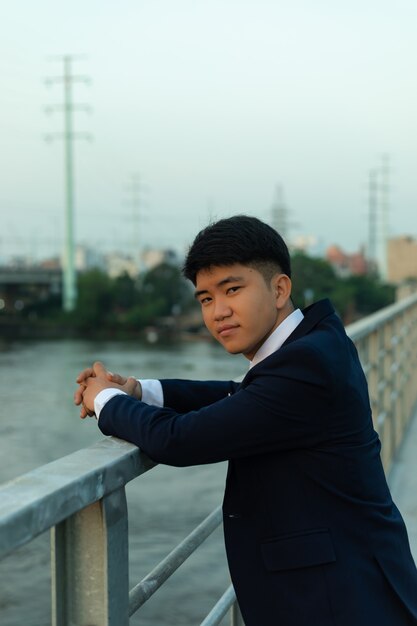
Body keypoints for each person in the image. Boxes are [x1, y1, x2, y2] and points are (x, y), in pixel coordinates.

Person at [75, 215, 417, 626]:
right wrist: (142, 391)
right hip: (349, 579)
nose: (219, 312)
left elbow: (179, 441)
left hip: (341, 600)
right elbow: (242, 396)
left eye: (232, 289)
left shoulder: (306, 364)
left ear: (279, 288)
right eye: (205, 299)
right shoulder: (312, 342)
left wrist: (104, 399)